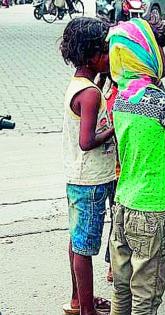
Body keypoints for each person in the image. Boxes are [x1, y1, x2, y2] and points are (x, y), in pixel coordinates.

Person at [107, 17, 165, 314]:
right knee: (145, 297)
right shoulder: (164, 104)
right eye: (161, 50)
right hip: (151, 213)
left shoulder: (120, 99)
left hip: (122, 206)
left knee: (122, 291)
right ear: (149, 55)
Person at [60, 17, 116, 315]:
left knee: (77, 240)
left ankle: (78, 300)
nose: (110, 56)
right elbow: (86, 141)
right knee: (84, 247)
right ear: (91, 54)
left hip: (77, 177)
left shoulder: (82, 85)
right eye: (105, 51)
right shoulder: (91, 94)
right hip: (91, 180)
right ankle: (87, 311)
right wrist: (114, 128)